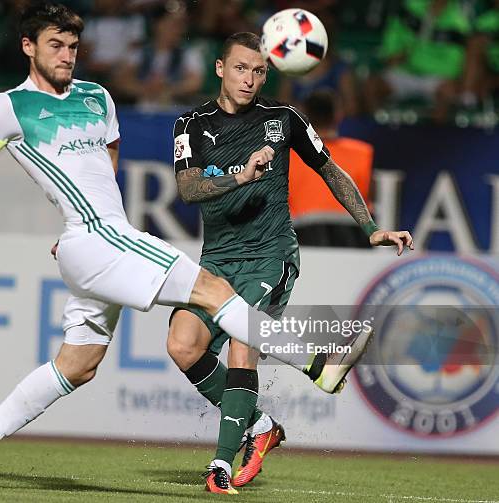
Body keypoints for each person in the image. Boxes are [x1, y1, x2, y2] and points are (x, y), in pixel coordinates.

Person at [0, 2, 412, 489]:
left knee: (78, 366)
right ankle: (318, 364)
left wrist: (82, 229)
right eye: (55, 46)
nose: (66, 55)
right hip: (100, 241)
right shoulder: (7, 107)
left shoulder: (98, 97)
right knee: (211, 291)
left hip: (101, 240)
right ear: (28, 47)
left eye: (73, 46)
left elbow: (102, 166)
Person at [166, 33, 412, 494]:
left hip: (270, 254)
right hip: (217, 260)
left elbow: (330, 169)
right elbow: (188, 188)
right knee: (182, 345)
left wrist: (370, 228)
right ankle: (260, 426)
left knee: (243, 340)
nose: (250, 79)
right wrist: (241, 174)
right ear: (220, 68)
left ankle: (220, 464)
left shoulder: (283, 119)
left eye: (259, 71)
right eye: (241, 69)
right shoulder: (190, 124)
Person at [290, 90, 373, 247]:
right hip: (354, 235)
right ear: (338, 115)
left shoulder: (286, 154)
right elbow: (371, 196)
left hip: (303, 234)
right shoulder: (363, 152)